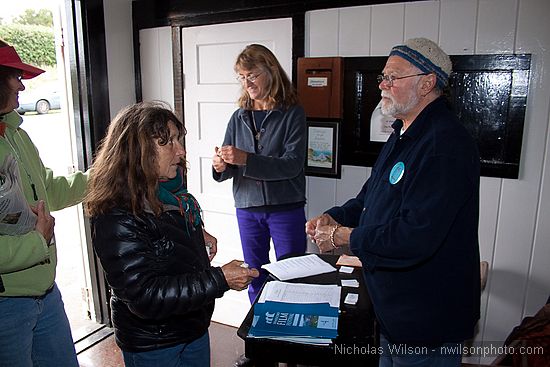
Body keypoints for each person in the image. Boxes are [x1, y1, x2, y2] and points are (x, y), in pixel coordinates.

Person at [306, 38, 481, 367]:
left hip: (427, 313)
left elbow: (416, 236)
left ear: (427, 83)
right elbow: (369, 199)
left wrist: (345, 237)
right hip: (394, 307)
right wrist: (333, 217)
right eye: (382, 77)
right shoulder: (402, 132)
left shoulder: (445, 144)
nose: (383, 85)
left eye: (392, 77)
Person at [85, 101, 259, 367]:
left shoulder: (168, 192)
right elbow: (145, 296)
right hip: (155, 342)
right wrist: (220, 279)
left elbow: (166, 242)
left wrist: (196, 233)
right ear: (138, 151)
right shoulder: (116, 215)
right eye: (168, 142)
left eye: (179, 139)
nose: (181, 150)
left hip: (192, 326)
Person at [0, 40, 88, 366]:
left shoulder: (15, 134)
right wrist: (38, 241)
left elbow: (48, 190)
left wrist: (104, 175)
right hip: (7, 305)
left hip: (45, 295)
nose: (22, 85)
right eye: (14, 76)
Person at [212, 44, 307, 305]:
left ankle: (289, 334)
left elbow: (293, 165)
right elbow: (230, 163)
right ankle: (259, 328)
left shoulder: (293, 114)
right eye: (242, 77)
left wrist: (247, 160)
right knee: (253, 272)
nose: (246, 83)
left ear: (271, 71)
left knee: (292, 273)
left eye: (252, 75)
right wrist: (221, 166)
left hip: (285, 206)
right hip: (247, 207)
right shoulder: (237, 117)